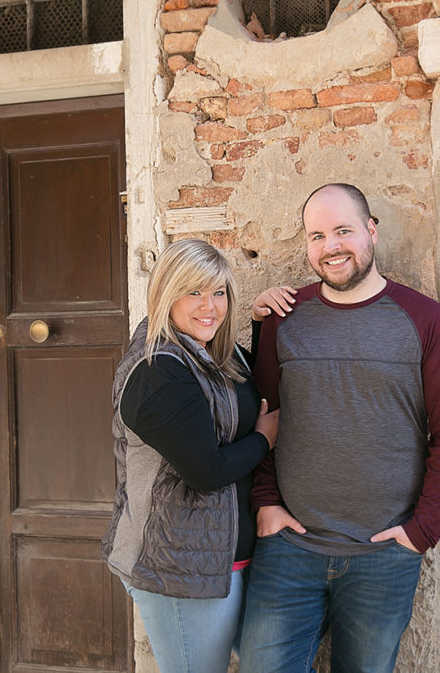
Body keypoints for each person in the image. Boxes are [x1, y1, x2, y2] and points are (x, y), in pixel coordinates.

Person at [239, 183, 440, 672]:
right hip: (290, 550)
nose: (331, 247)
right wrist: (265, 503)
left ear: (371, 231)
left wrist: (420, 531)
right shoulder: (285, 318)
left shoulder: (426, 321)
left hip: (383, 557)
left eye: (343, 230)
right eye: (317, 235)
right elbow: (262, 418)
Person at [101, 238, 280, 673]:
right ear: (166, 294)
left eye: (218, 292)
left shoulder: (214, 351)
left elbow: (244, 393)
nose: (210, 306)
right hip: (177, 570)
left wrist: (260, 326)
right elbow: (206, 470)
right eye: (194, 291)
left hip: (224, 558)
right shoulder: (158, 371)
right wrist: (263, 440)